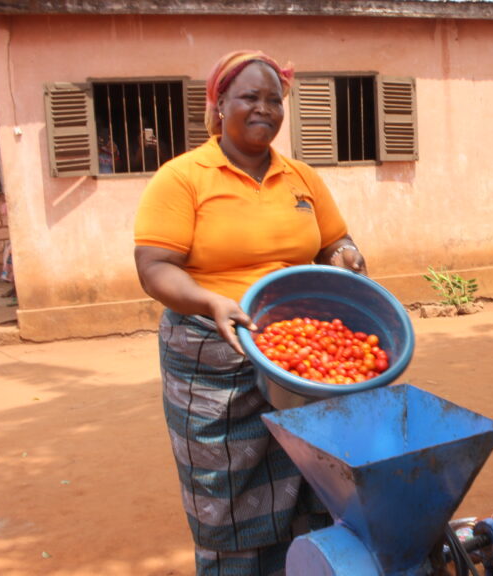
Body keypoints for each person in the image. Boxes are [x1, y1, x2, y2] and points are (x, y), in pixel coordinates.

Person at [133, 50, 367, 576]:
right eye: (249, 97)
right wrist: (210, 301)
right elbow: (155, 268)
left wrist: (345, 258)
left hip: (299, 354)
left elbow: (336, 241)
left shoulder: (302, 177)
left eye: (273, 99)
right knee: (227, 489)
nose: (265, 109)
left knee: (312, 475)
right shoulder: (184, 178)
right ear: (218, 105)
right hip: (213, 354)